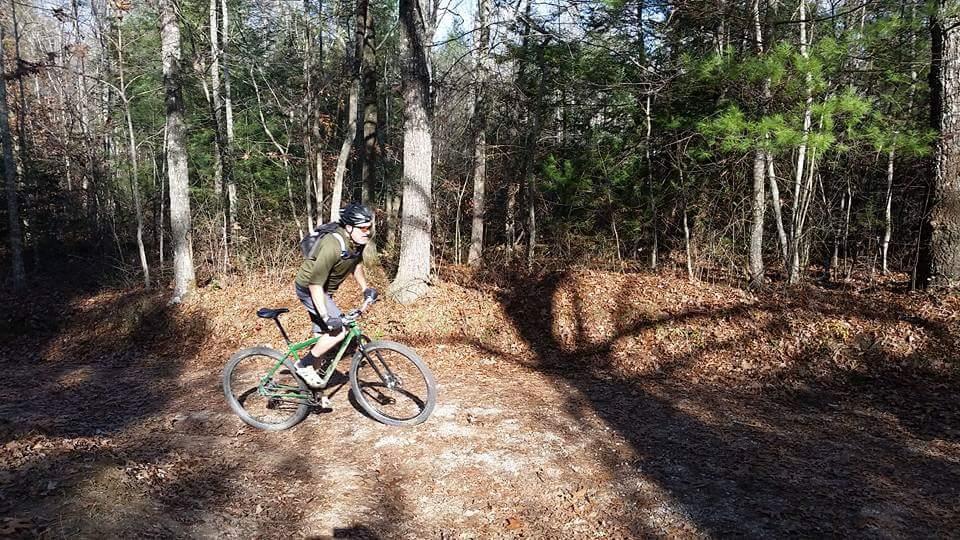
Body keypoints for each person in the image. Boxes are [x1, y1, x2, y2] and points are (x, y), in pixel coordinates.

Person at [293, 202, 378, 387]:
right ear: (349, 227)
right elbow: (315, 285)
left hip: (323, 290)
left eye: (369, 228)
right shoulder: (333, 244)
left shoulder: (357, 242)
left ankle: (314, 391)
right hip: (310, 287)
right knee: (340, 330)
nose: (367, 232)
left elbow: (355, 264)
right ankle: (304, 364)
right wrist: (326, 316)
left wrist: (365, 288)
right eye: (363, 228)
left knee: (325, 337)